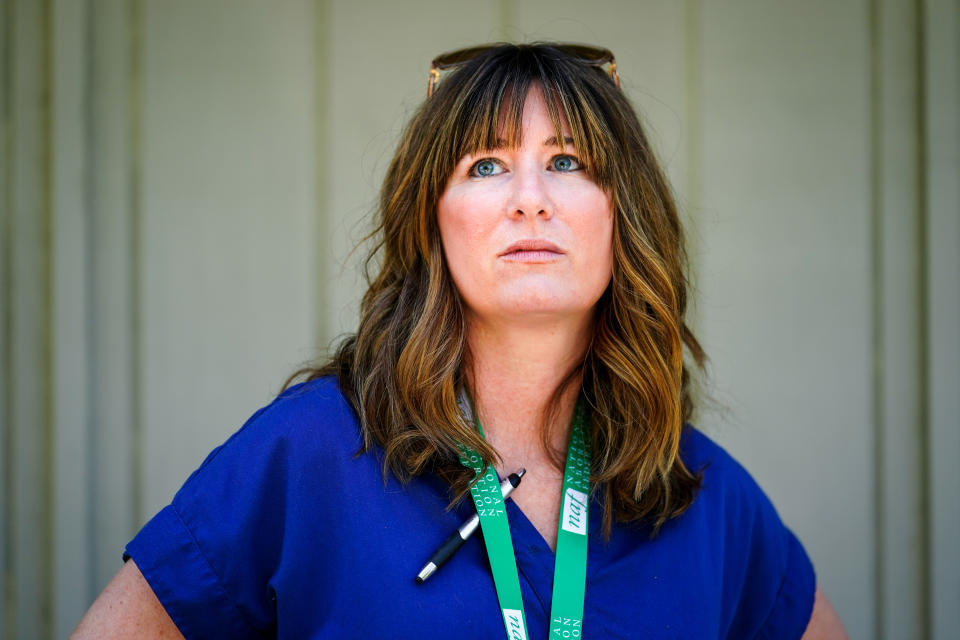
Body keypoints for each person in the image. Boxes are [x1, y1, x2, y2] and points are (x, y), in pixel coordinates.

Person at [72, 42, 847, 639]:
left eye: (568, 161)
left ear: (624, 216)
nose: (530, 201)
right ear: (433, 222)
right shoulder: (306, 455)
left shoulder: (703, 494)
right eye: (486, 165)